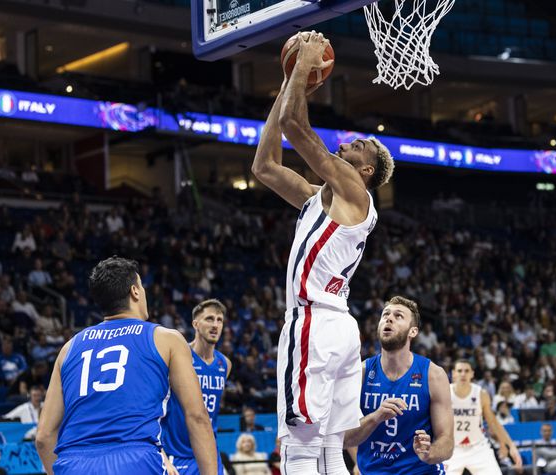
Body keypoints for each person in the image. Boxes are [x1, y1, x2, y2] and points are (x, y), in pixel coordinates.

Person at [252, 30, 394, 474]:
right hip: (339, 328)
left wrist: (301, 67)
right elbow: (265, 167)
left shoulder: (354, 188)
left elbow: (297, 128)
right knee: (332, 448)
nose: (349, 142)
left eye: (358, 147)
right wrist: (284, 90)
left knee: (298, 443)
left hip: (313, 319)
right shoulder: (324, 197)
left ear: (366, 170)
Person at [35, 257, 218, 475]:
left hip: (73, 463)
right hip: (135, 460)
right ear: (135, 291)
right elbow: (197, 416)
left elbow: (44, 437)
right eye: (142, 286)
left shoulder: (68, 348)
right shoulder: (165, 338)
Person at [345, 296, 453, 474]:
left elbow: (447, 442)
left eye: (398, 316)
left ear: (413, 332)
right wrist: (376, 417)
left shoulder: (433, 375)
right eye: (385, 314)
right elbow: (344, 439)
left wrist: (429, 453)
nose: (389, 318)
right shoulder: (361, 372)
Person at [163, 298, 232, 474]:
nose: (215, 325)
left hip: (209, 453)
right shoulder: (178, 358)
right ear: (195, 323)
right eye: (209, 319)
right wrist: (162, 455)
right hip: (178, 454)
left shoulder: (225, 364)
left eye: (219, 320)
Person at [444, 360, 522, 474]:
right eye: (460, 371)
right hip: (452, 449)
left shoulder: (481, 394)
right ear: (454, 373)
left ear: (472, 374)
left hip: (478, 447)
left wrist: (509, 445)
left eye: (467, 371)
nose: (463, 374)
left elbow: (493, 422)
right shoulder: (445, 393)